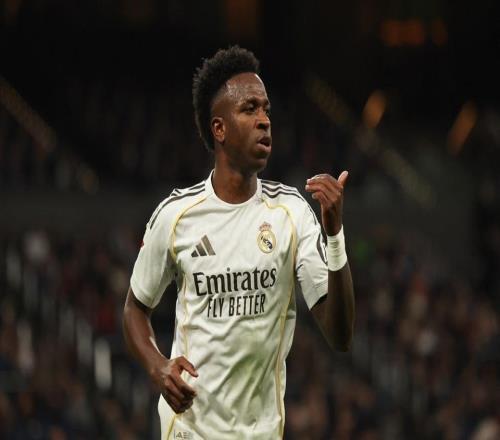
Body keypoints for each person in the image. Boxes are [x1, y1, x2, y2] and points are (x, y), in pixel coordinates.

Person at [122, 46, 355, 439]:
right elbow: (134, 308)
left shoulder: (291, 214)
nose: (264, 120)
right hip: (189, 431)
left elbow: (341, 334)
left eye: (266, 109)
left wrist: (334, 235)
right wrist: (157, 366)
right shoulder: (176, 216)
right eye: (249, 109)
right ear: (220, 129)